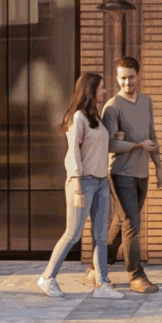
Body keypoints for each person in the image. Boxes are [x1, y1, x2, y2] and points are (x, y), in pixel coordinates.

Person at [37, 73, 119, 298]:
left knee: (101, 236)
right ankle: (47, 278)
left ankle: (102, 285)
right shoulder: (78, 118)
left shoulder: (96, 117)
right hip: (83, 182)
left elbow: (98, 147)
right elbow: (72, 153)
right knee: (73, 233)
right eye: (102, 88)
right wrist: (78, 188)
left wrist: (115, 137)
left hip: (102, 182)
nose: (104, 91)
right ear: (90, 91)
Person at [102, 55, 160, 294]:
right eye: (122, 78)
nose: (127, 82)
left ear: (139, 75)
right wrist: (137, 146)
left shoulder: (146, 102)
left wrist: (159, 168)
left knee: (122, 221)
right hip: (121, 173)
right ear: (117, 78)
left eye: (131, 77)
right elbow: (110, 145)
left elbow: (153, 137)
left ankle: (98, 267)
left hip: (141, 173)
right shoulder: (112, 107)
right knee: (132, 224)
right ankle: (136, 275)